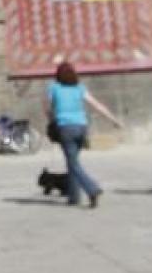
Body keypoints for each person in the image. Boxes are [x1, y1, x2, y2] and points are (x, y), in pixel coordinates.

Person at [45, 60, 122, 208]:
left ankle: (92, 189)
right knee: (73, 161)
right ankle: (74, 197)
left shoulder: (53, 88)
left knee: (73, 163)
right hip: (82, 127)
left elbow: (47, 107)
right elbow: (96, 105)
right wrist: (113, 119)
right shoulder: (80, 88)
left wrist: (51, 120)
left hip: (65, 128)